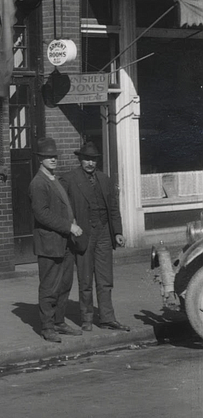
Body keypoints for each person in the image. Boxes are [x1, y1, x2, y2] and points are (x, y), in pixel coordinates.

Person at [62, 141, 129, 331]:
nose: (90, 163)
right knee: (85, 279)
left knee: (105, 278)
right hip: (84, 234)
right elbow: (61, 206)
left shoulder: (104, 179)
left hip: (104, 233)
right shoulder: (69, 179)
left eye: (93, 160)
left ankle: (108, 318)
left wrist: (117, 232)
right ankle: (87, 318)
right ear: (80, 159)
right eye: (87, 159)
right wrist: (71, 223)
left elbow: (114, 208)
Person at [29, 137, 84, 343]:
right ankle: (47, 326)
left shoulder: (54, 179)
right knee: (49, 286)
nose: (52, 159)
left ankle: (59, 322)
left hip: (64, 242)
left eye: (54, 156)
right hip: (50, 243)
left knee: (64, 284)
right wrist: (68, 226)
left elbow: (64, 208)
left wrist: (72, 221)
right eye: (47, 156)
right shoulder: (38, 183)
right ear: (40, 159)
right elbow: (42, 214)